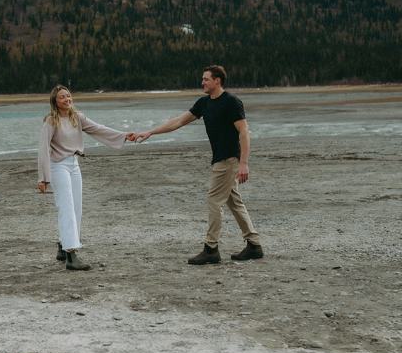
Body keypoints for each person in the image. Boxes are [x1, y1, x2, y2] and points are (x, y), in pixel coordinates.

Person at [130, 65, 263, 264]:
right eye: (203, 79)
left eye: (206, 79)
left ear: (217, 81)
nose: (202, 82)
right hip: (220, 160)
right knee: (233, 201)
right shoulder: (204, 103)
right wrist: (150, 132)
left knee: (213, 200)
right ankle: (254, 245)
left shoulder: (231, 102)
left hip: (229, 160)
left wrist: (244, 163)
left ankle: (211, 249)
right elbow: (178, 122)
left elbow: (244, 132)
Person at [38, 85, 130, 271]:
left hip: (74, 164)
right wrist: (43, 178)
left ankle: (63, 246)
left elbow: (98, 129)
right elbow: (43, 150)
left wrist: (124, 136)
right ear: (55, 101)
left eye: (68, 96)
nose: (67, 99)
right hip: (58, 166)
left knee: (76, 208)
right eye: (62, 97)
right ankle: (71, 255)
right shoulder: (51, 121)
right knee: (67, 207)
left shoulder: (77, 117)